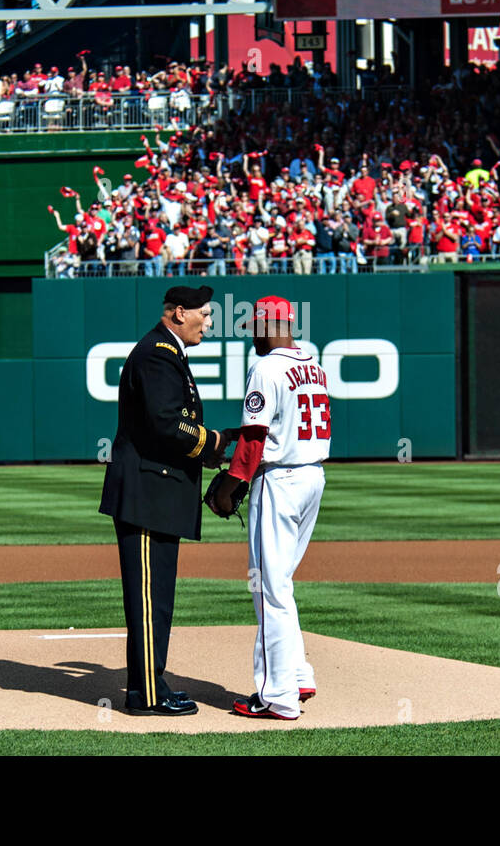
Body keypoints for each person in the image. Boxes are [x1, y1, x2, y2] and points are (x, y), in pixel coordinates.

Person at [98, 285, 233, 715]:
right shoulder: (157, 352)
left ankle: (148, 686)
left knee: (157, 597)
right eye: (204, 315)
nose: (208, 323)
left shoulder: (165, 351)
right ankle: (146, 695)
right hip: (145, 495)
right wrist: (214, 443)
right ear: (178, 313)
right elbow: (164, 424)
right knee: (149, 598)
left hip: (155, 494)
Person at [207, 296, 330, 721]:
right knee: (281, 583)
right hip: (312, 477)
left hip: (280, 481)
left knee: (268, 588)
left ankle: (277, 696)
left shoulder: (266, 367)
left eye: (254, 327)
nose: (252, 335)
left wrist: (233, 482)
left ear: (266, 326)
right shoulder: (311, 364)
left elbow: (258, 435)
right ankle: (298, 674)